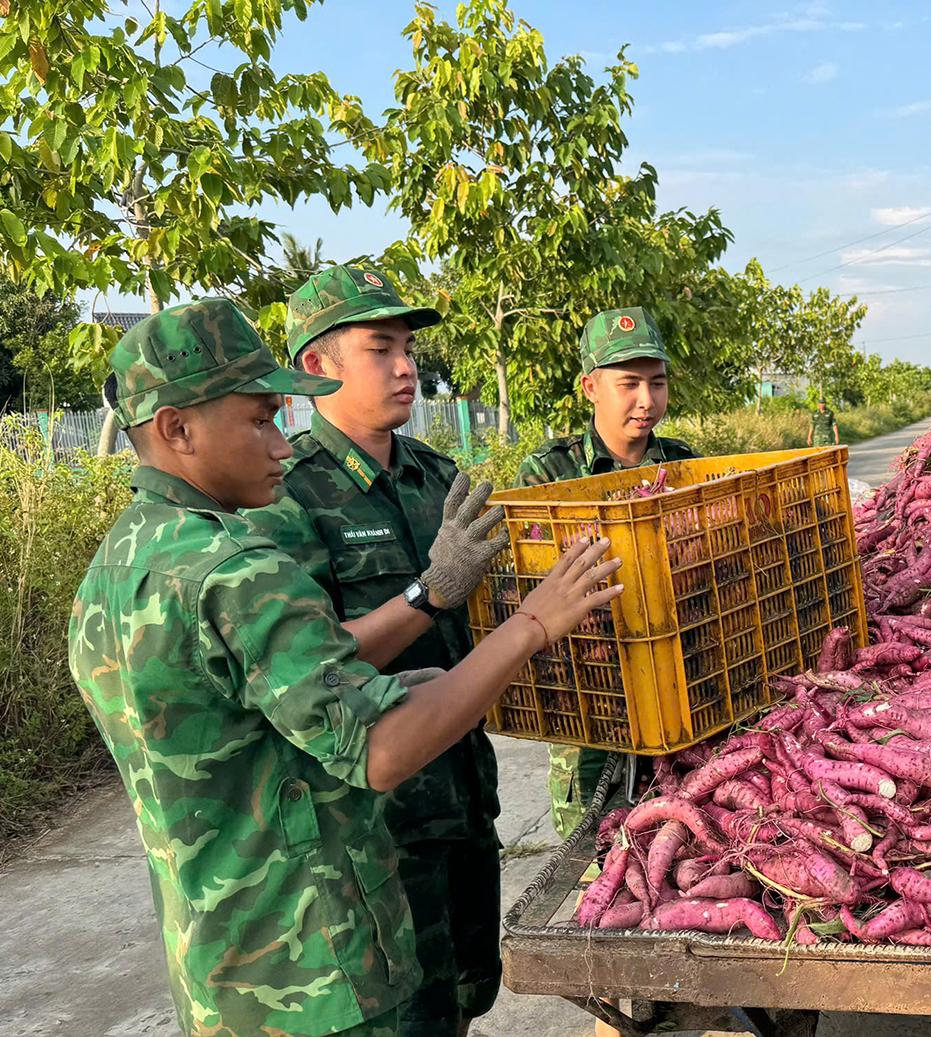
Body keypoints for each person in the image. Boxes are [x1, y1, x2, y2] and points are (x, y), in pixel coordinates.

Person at [70, 298, 622, 1037]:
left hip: (229, 963)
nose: (279, 443)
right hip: (316, 962)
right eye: (260, 420)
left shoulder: (123, 560)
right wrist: (533, 624)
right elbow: (380, 749)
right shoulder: (234, 567)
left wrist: (401, 682)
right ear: (177, 429)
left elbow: (257, 713)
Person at [245, 265, 506, 1037]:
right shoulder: (285, 494)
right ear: (316, 366)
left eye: (408, 349)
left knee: (467, 995)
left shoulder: (437, 477)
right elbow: (307, 664)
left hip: (462, 793)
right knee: (406, 1016)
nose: (405, 367)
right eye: (380, 348)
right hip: (373, 829)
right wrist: (431, 591)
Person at [514, 306, 696, 838]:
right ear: (591, 387)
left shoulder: (682, 463)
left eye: (657, 383)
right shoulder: (550, 471)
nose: (647, 400)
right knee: (591, 844)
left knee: (678, 833)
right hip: (590, 693)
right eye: (629, 384)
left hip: (676, 681)